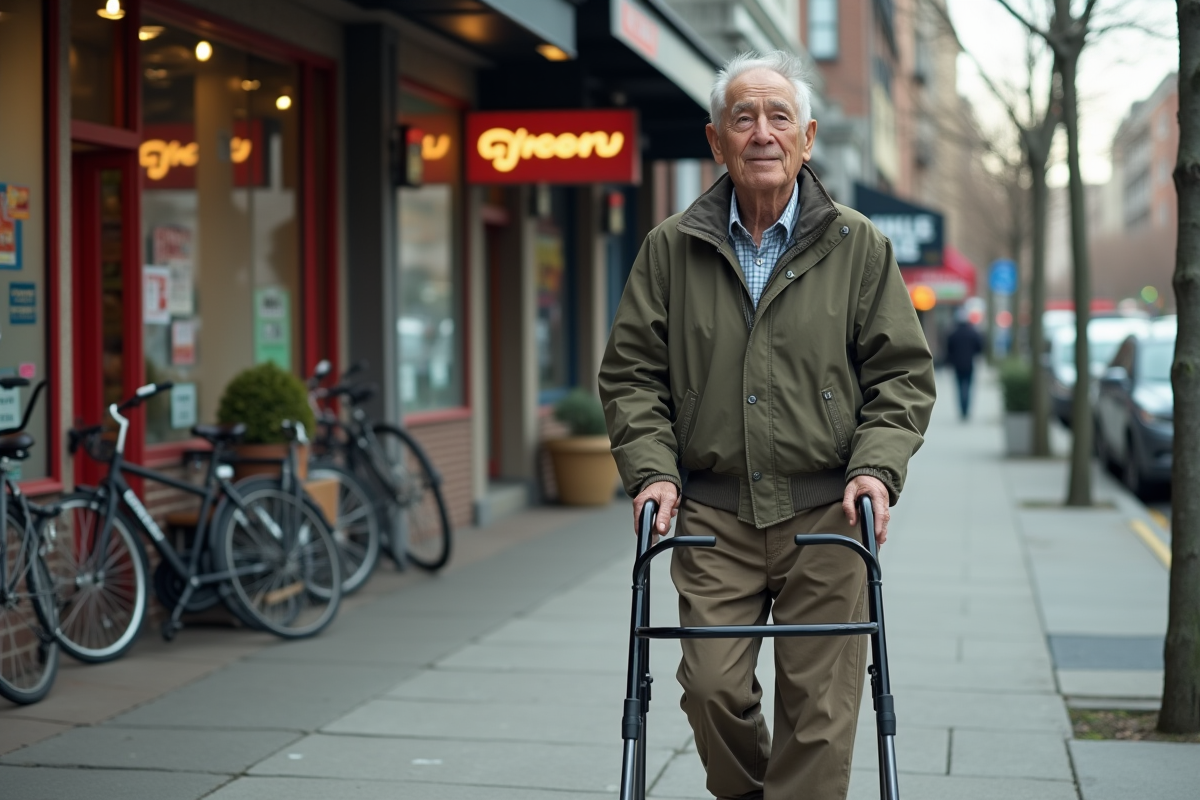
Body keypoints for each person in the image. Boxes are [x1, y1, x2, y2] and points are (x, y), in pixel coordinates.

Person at [599, 50, 937, 800]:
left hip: (827, 510)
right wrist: (652, 469)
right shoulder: (669, 248)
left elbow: (902, 376)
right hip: (713, 513)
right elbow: (631, 376)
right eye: (742, 118)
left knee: (821, 708)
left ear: (807, 137)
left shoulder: (859, 246)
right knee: (711, 686)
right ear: (715, 141)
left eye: (779, 117)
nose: (761, 133)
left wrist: (875, 470)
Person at [945, 309, 984, 420]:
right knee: (968, 387)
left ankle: (962, 410)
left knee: (959, 387)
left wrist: (948, 362)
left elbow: (948, 350)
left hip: (957, 365)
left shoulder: (953, 334)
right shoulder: (973, 333)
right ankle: (966, 410)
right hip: (969, 364)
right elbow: (979, 346)